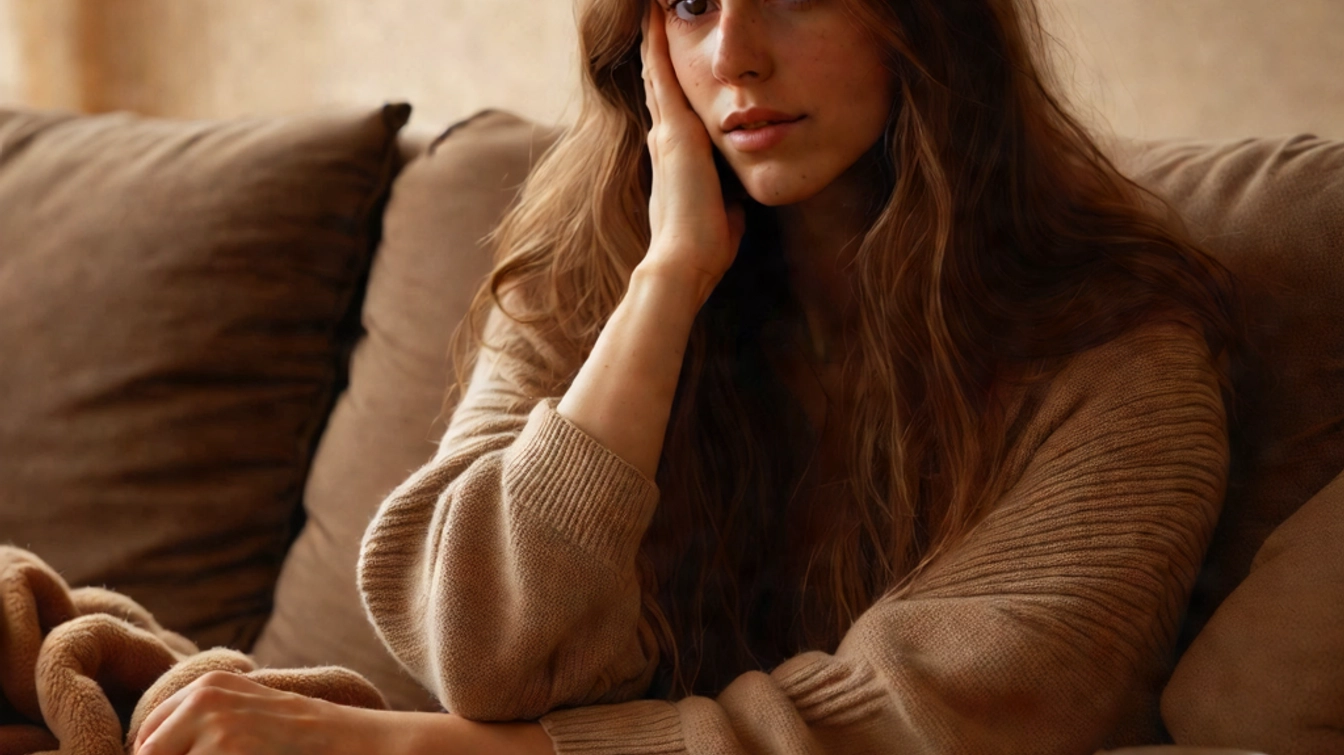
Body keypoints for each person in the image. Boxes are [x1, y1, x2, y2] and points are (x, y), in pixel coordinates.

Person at [131, 0, 1242, 752]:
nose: (733, 58)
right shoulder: (586, 278)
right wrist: (667, 281)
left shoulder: (1117, 349)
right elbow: (482, 653)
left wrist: (404, 747)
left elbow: (926, 722)